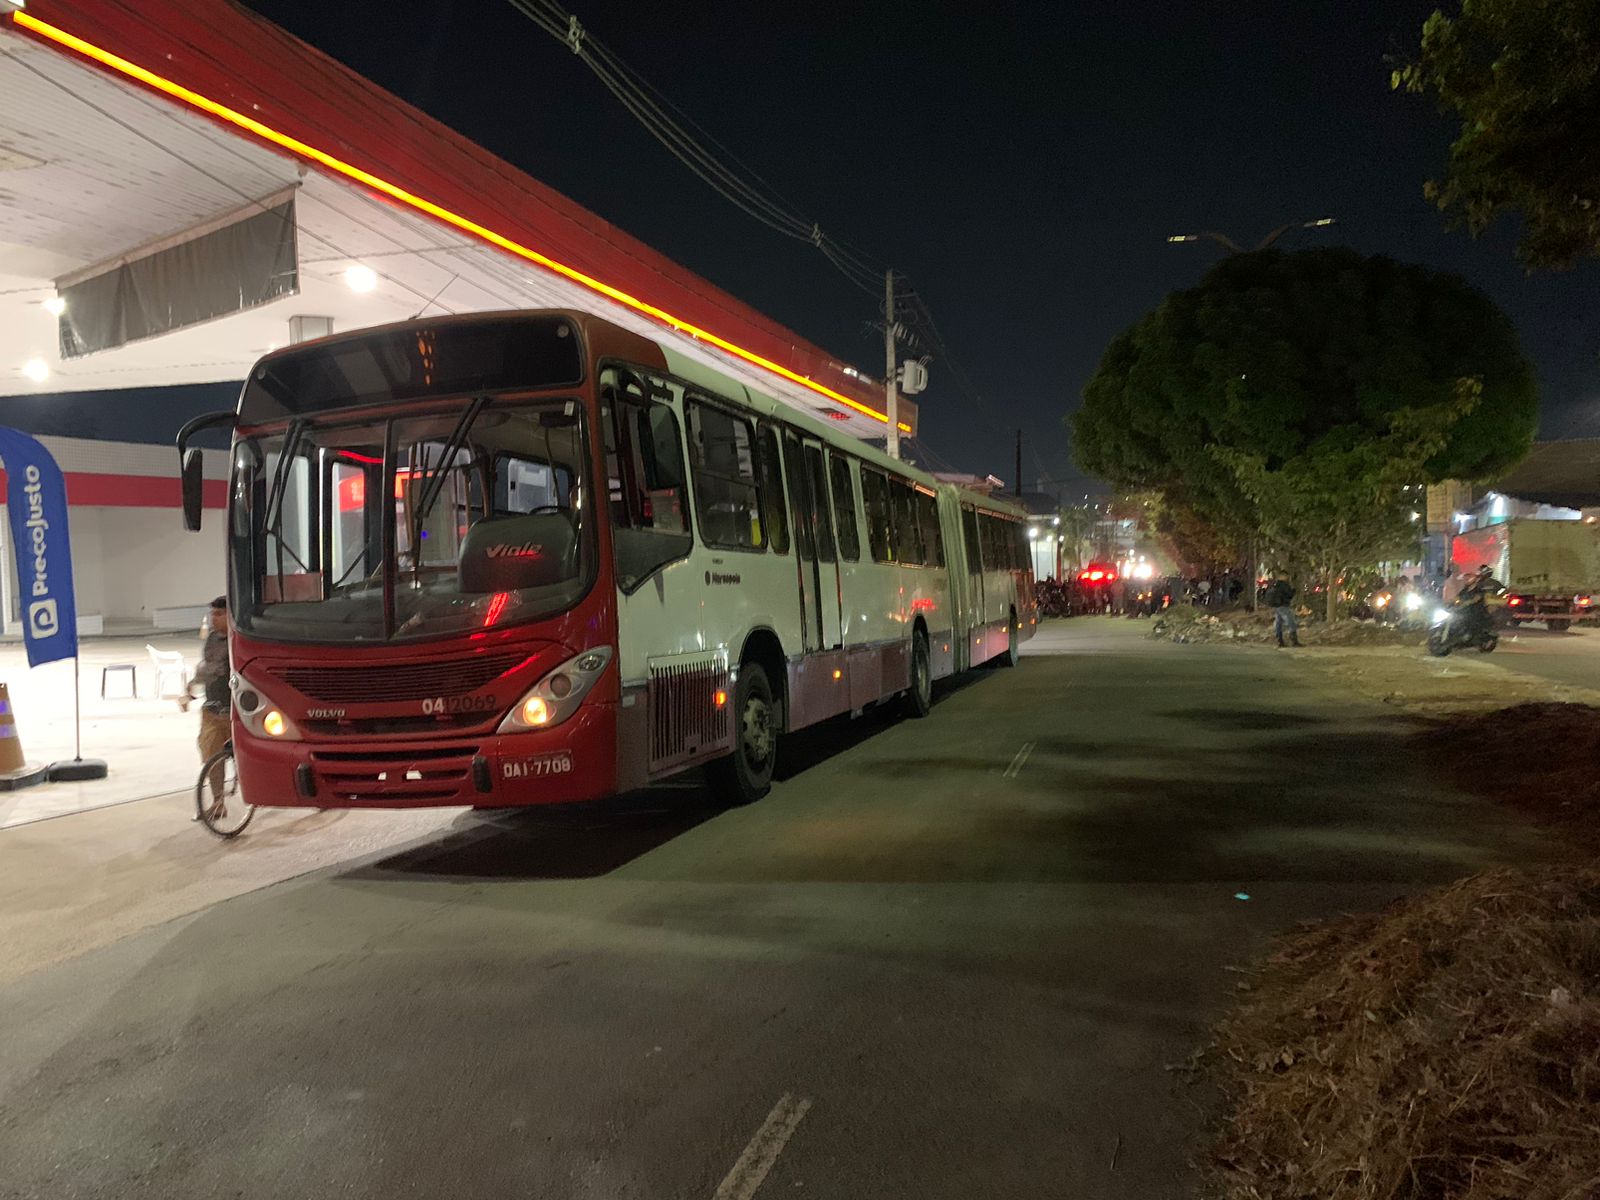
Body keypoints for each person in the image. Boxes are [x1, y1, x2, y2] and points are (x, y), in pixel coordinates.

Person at [180, 596, 231, 817]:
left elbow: (217, 668)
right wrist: (191, 688)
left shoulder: (241, 639)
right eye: (213, 614)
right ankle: (218, 802)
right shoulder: (212, 638)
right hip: (213, 708)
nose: (214, 619)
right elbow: (207, 667)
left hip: (236, 710)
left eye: (219, 614)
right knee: (211, 755)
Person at [1265, 575, 1301, 647]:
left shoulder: (1275, 585)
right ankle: (1294, 641)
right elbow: (1289, 594)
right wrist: (1294, 590)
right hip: (1283, 605)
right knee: (1291, 622)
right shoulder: (1284, 585)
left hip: (1276, 606)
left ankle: (1280, 641)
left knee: (1278, 623)